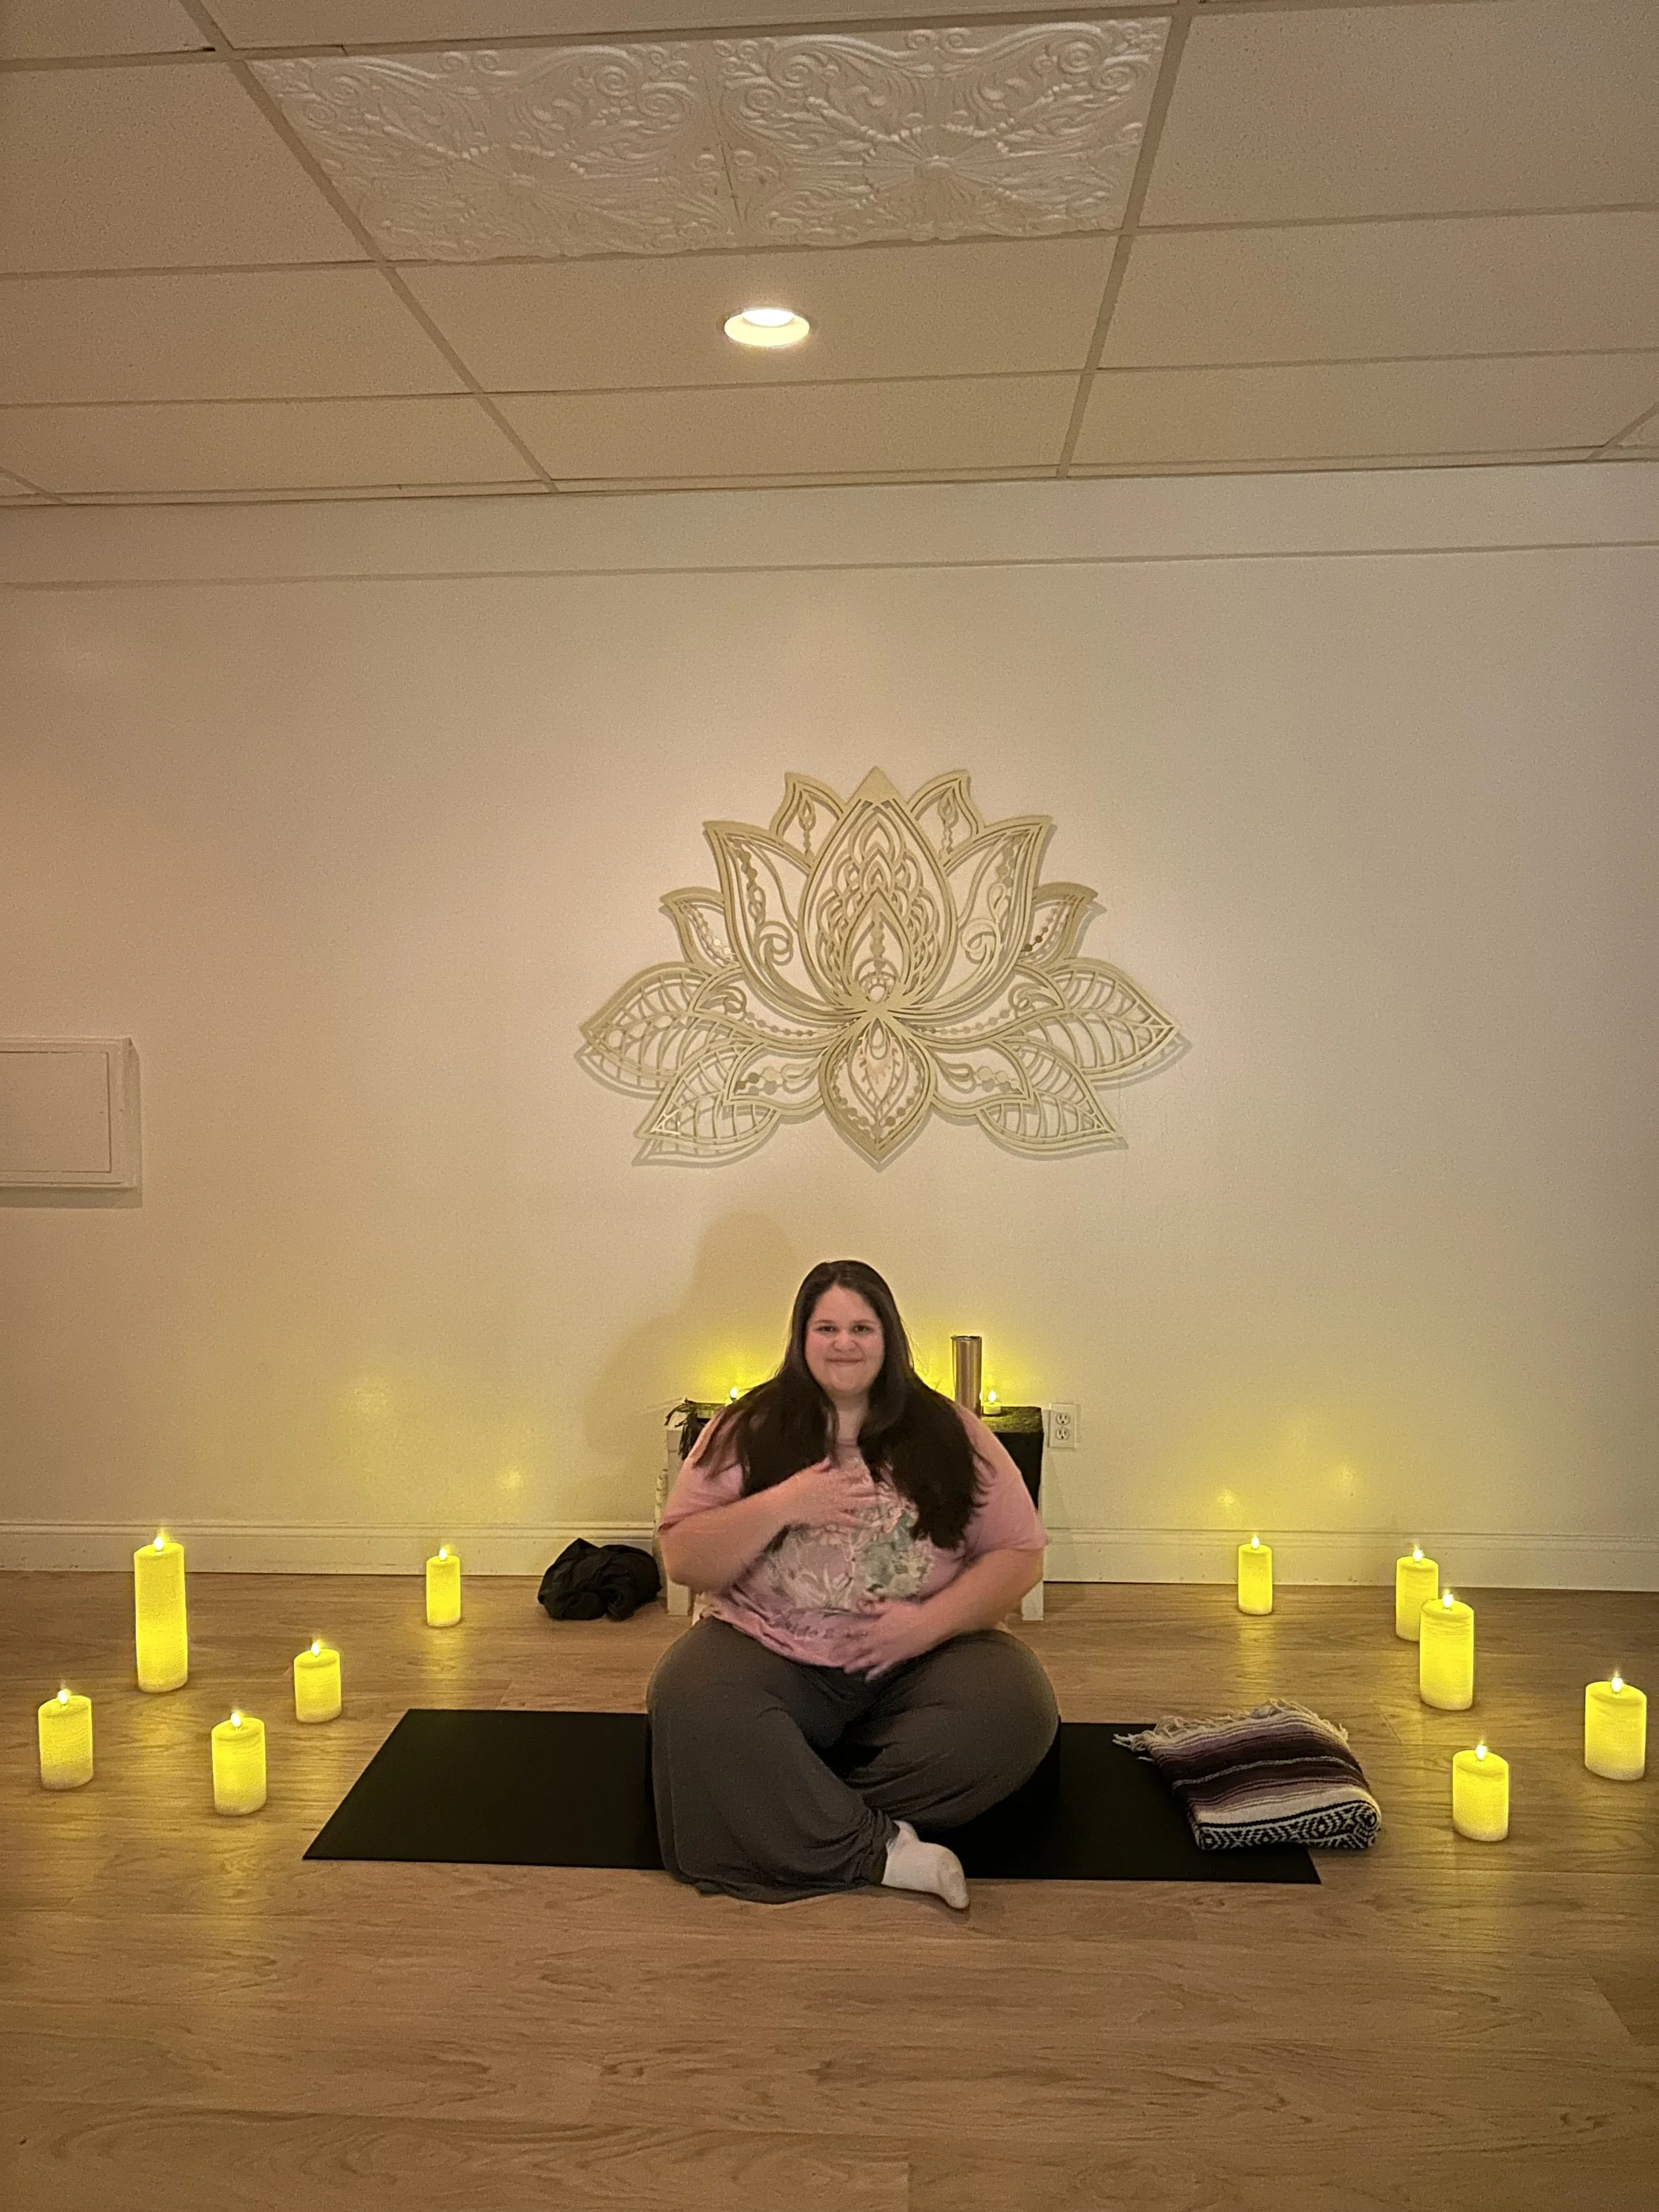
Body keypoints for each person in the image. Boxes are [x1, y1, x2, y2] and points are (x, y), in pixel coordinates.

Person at [648, 1259, 1058, 1907]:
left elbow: (1018, 1554)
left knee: (1015, 1710)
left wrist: (927, 1623)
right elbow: (683, 1558)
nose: (844, 1343)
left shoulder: (950, 1430)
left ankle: (786, 1798)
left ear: (888, 1338)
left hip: (918, 1662)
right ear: (801, 1338)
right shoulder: (747, 1428)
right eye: (827, 1327)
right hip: (772, 1653)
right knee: (687, 1693)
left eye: (861, 1328)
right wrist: (783, 1504)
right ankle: (884, 1851)